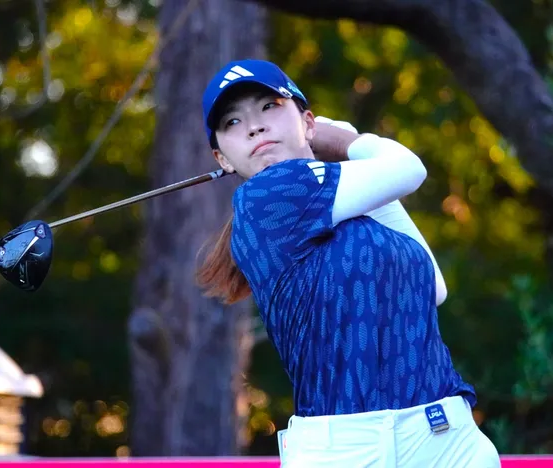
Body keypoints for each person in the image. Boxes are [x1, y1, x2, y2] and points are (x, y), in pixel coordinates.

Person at [196, 59, 501, 467]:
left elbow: (433, 288)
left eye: (269, 106)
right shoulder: (264, 198)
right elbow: (409, 169)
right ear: (223, 159)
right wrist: (346, 141)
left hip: (447, 438)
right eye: (232, 122)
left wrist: (349, 162)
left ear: (306, 122)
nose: (253, 126)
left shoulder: (336, 202)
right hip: (346, 451)